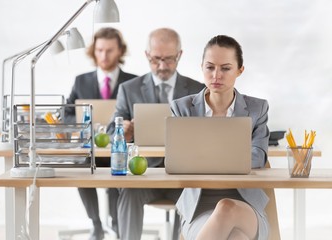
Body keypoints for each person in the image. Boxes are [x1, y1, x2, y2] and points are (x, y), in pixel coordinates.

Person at [106, 28, 204, 240]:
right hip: (145, 173)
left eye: (169, 59)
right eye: (156, 59)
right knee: (128, 192)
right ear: (147, 55)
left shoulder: (198, 90)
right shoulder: (129, 89)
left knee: (195, 194)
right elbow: (111, 131)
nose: (162, 66)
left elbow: (207, 135)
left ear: (179, 55)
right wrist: (124, 131)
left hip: (183, 176)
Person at [170, 35, 270, 240]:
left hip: (246, 206)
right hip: (199, 209)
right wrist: (231, 158)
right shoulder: (182, 108)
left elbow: (258, 156)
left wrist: (205, 159)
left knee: (226, 207)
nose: (216, 75)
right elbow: (178, 159)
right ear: (201, 67)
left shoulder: (256, 109)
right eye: (210, 67)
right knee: (236, 238)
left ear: (240, 70)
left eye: (225, 68)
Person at [65, 27, 137, 240]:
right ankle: (95, 223)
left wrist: (131, 126)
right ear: (93, 51)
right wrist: (81, 126)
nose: (104, 56)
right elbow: (68, 113)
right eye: (100, 50)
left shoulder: (133, 82)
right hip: (92, 149)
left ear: (120, 51)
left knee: (118, 168)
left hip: (120, 149)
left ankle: (116, 223)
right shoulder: (81, 81)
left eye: (109, 50)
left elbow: (140, 115)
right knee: (79, 166)